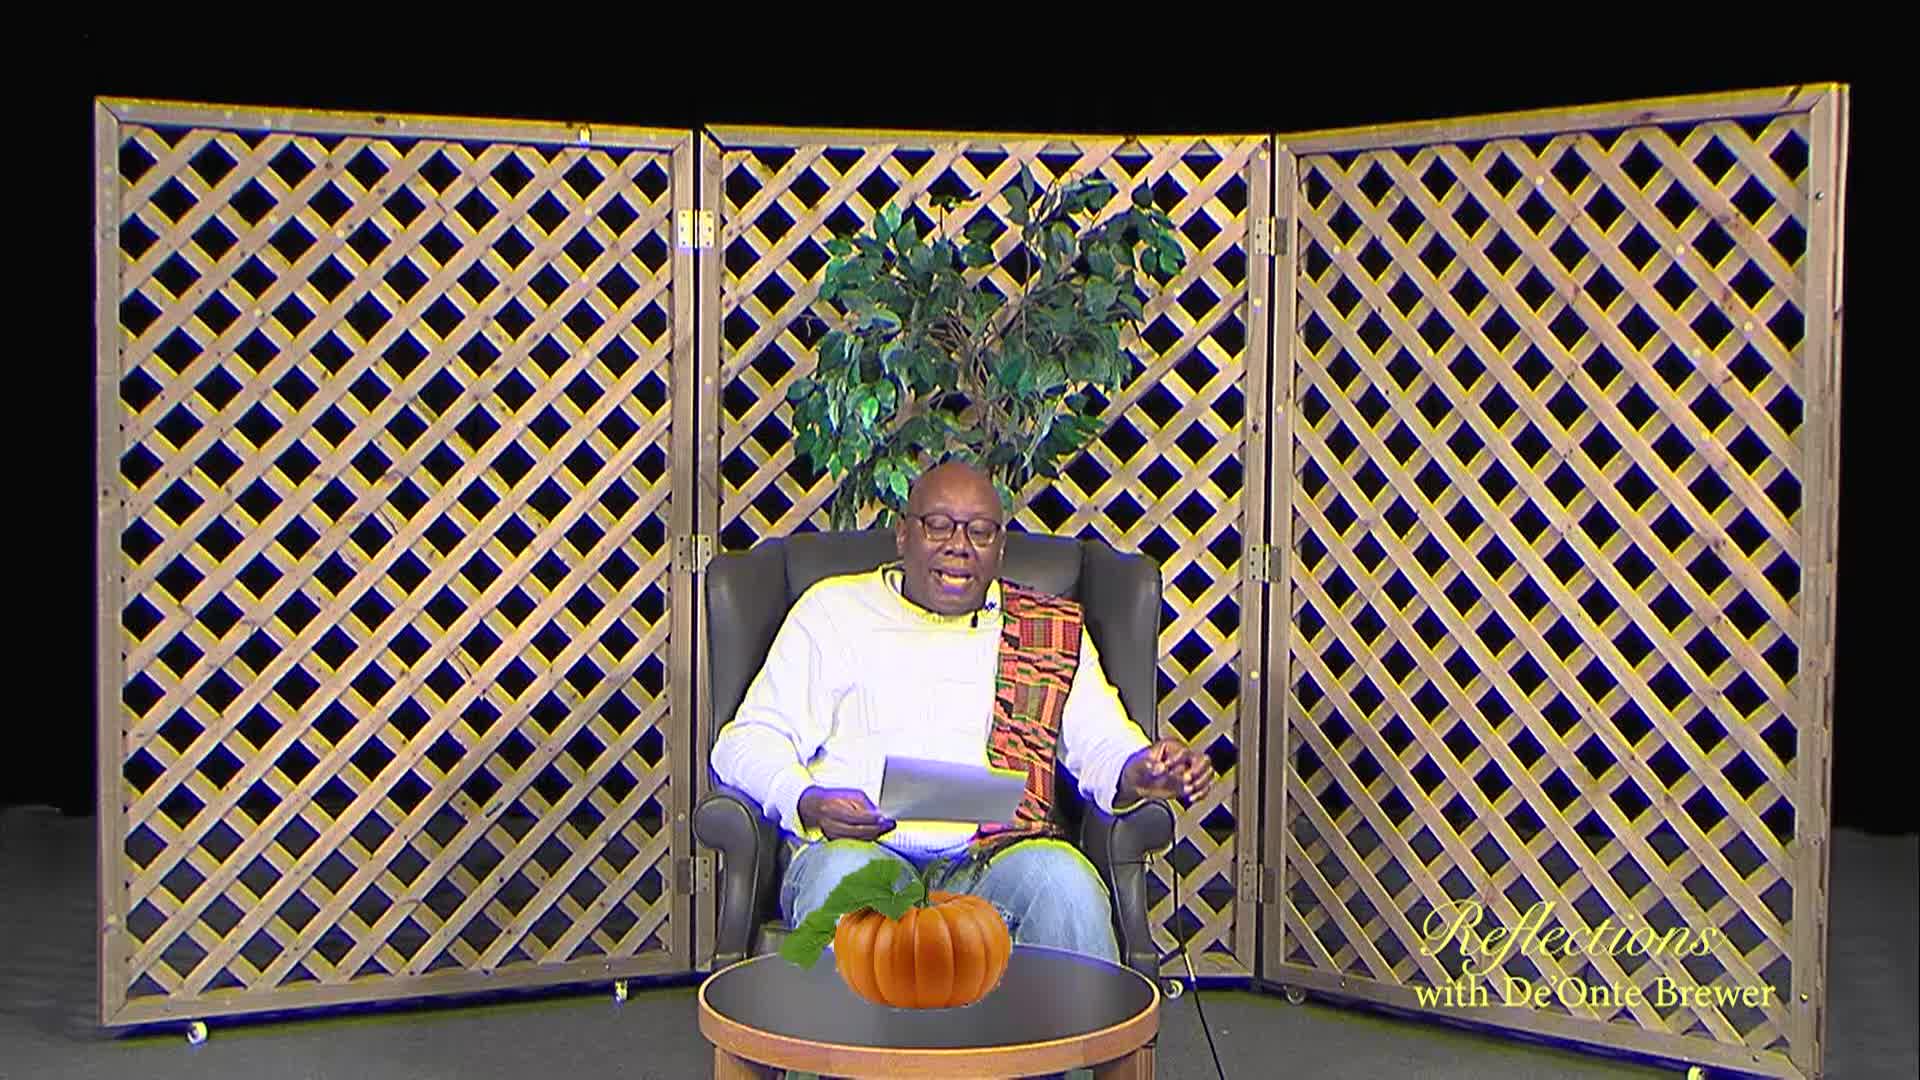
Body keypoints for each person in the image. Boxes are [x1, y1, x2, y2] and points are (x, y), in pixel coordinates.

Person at [710, 460, 1214, 963]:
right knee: (842, 885)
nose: (959, 545)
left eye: (980, 532)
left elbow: (1102, 742)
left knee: (1067, 887)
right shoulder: (833, 612)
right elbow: (745, 741)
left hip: (994, 857)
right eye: (938, 526)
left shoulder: (1042, 630)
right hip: (859, 850)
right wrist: (807, 800)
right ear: (903, 535)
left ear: (1000, 548)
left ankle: (1084, 1021)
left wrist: (1140, 770)